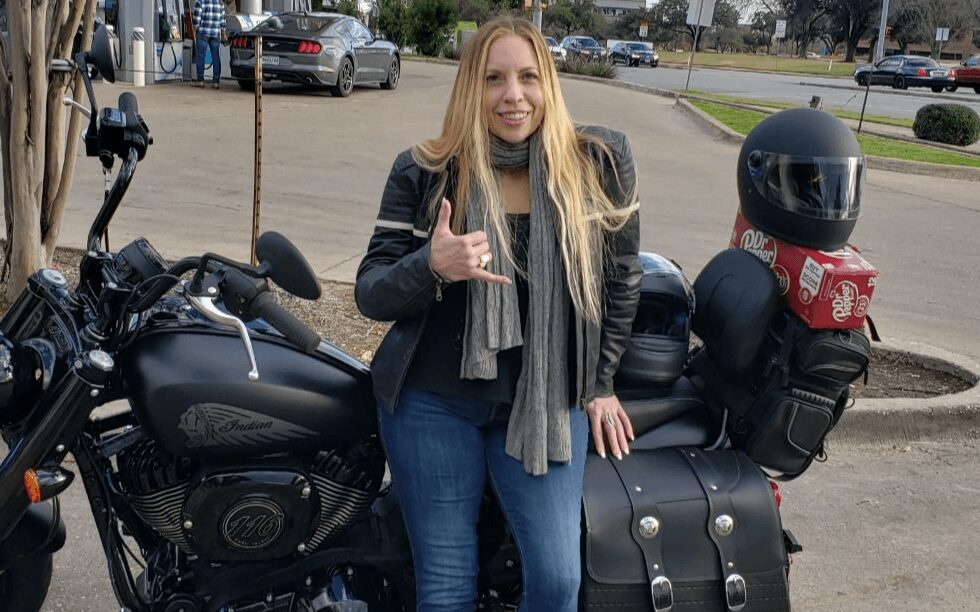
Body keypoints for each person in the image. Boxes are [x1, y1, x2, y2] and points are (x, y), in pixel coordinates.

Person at [355, 16, 641, 612]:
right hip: (431, 404)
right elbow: (372, 292)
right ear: (470, 88)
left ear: (549, 85)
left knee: (560, 580)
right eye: (494, 79)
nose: (513, 95)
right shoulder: (427, 170)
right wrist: (430, 265)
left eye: (528, 76)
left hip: (542, 403)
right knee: (446, 587)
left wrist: (602, 381)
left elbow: (620, 280)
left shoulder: (594, 165)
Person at [192, 0, 226, 89]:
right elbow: (222, 21)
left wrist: (195, 30)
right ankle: (216, 83)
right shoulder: (220, 3)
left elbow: (196, 20)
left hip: (203, 33)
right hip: (215, 33)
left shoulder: (200, 2)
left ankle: (200, 81)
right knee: (216, 57)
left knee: (200, 56)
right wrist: (223, 31)